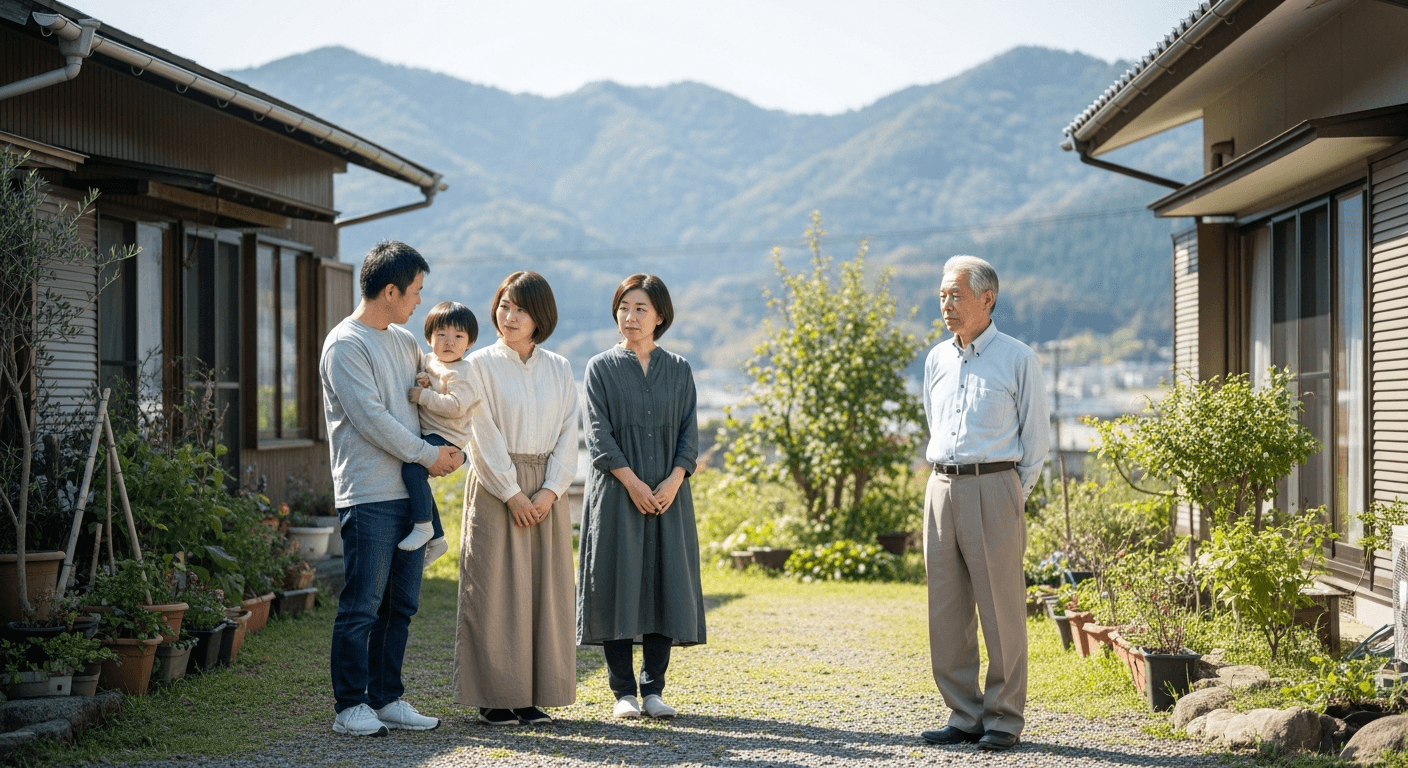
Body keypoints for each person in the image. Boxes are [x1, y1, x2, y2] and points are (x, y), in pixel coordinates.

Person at [320, 240, 462, 737]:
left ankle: (386, 698)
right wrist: (428, 456)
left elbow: (425, 394)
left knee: (400, 606)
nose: (420, 301)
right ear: (390, 289)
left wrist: (450, 446)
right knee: (362, 603)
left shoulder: (403, 341)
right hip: (368, 493)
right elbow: (372, 420)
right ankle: (349, 707)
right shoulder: (346, 344)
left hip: (408, 492)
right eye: (416, 291)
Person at [918, 255, 1049, 753]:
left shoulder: (1018, 358)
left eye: (955, 295)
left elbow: (1035, 445)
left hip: (996, 486)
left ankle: (1004, 717)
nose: (946, 305)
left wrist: (1011, 497)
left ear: (987, 298)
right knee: (946, 608)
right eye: (942, 296)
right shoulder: (936, 359)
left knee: (1002, 609)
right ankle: (964, 713)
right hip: (940, 488)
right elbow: (935, 423)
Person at [577, 274, 705, 720]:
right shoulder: (599, 368)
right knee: (616, 582)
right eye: (624, 307)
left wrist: (672, 481)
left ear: (660, 316)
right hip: (616, 495)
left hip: (670, 497)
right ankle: (623, 693)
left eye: (640, 309)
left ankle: (654, 689)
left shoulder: (680, 369)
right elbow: (598, 436)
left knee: (662, 583)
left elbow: (690, 434)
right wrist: (633, 484)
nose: (629, 317)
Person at [453, 271, 579, 726]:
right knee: (494, 591)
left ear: (539, 315)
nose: (509, 316)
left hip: (548, 488)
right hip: (495, 486)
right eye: (504, 305)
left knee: (543, 593)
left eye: (520, 308)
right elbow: (479, 434)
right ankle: (494, 697)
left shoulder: (560, 368)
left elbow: (570, 434)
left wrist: (548, 491)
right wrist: (512, 492)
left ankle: (532, 695)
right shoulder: (479, 364)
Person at [399, 301, 481, 567]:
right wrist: (423, 379)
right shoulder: (429, 360)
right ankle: (438, 538)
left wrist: (424, 395)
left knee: (412, 471)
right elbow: (425, 375)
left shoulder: (464, 372)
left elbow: (456, 407)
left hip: (448, 435)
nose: (449, 342)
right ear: (429, 337)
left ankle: (425, 527)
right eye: (441, 334)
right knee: (415, 475)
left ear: (469, 343)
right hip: (429, 431)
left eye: (458, 336)